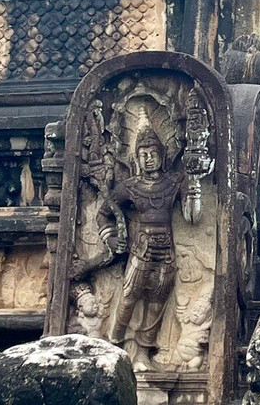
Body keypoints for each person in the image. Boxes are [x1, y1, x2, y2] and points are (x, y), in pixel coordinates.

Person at [99, 130, 185, 370]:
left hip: (166, 249)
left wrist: (194, 188)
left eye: (152, 153)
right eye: (143, 154)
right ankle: (114, 344)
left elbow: (192, 215)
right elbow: (104, 213)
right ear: (136, 158)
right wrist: (111, 238)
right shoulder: (131, 187)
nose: (148, 159)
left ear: (162, 155)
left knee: (157, 303)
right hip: (141, 248)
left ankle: (142, 354)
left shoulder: (173, 184)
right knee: (128, 298)